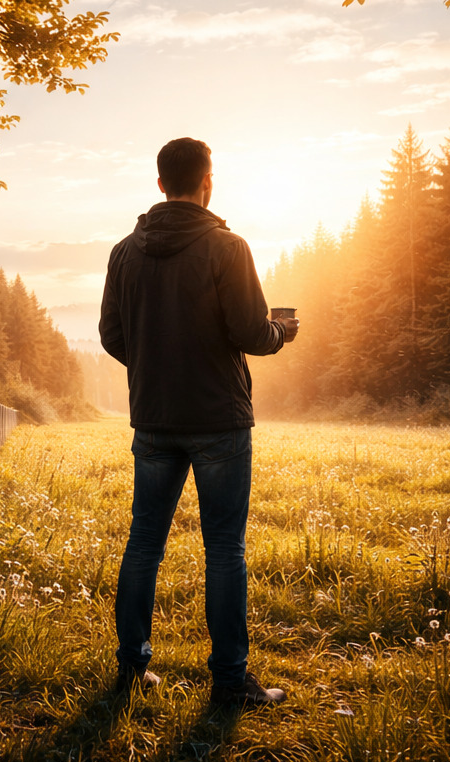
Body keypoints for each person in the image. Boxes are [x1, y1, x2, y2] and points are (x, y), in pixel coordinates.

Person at [97, 137, 299, 708]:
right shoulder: (227, 247)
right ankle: (230, 683)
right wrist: (282, 332)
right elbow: (251, 333)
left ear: (161, 184)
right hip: (219, 421)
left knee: (143, 544)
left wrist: (157, 365)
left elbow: (111, 335)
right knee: (224, 550)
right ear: (208, 182)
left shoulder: (123, 252)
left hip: (154, 420)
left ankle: (132, 669)